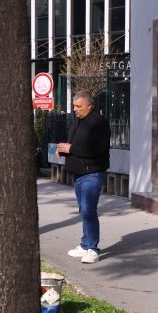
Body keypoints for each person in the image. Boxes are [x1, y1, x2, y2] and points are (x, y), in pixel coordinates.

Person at [56, 90, 111, 264]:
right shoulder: (77, 121)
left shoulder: (99, 123)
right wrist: (63, 151)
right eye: (74, 106)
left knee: (88, 211)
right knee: (84, 210)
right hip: (79, 174)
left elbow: (96, 150)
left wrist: (70, 149)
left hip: (92, 173)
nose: (75, 109)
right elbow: (74, 145)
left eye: (78, 106)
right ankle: (85, 244)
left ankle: (93, 249)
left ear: (89, 106)